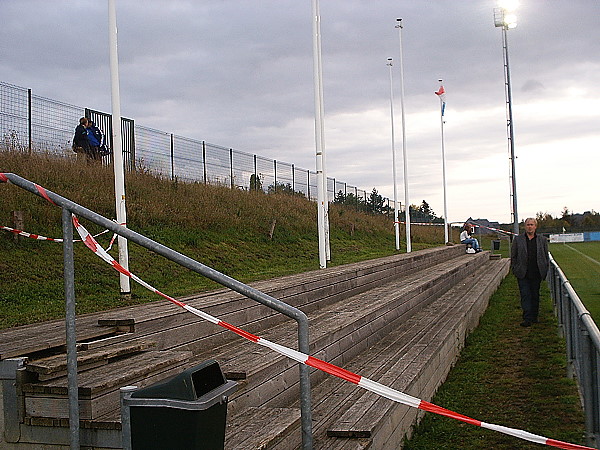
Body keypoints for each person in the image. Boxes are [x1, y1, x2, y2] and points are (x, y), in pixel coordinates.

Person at [510, 217, 549, 327]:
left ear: (535, 226)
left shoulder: (542, 240)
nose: (530, 226)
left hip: (536, 273)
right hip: (523, 273)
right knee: (525, 295)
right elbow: (514, 256)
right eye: (528, 224)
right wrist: (515, 269)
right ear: (525, 226)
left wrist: (545, 269)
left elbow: (545, 256)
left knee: (535, 295)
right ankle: (527, 318)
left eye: (532, 224)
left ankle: (534, 316)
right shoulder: (518, 240)